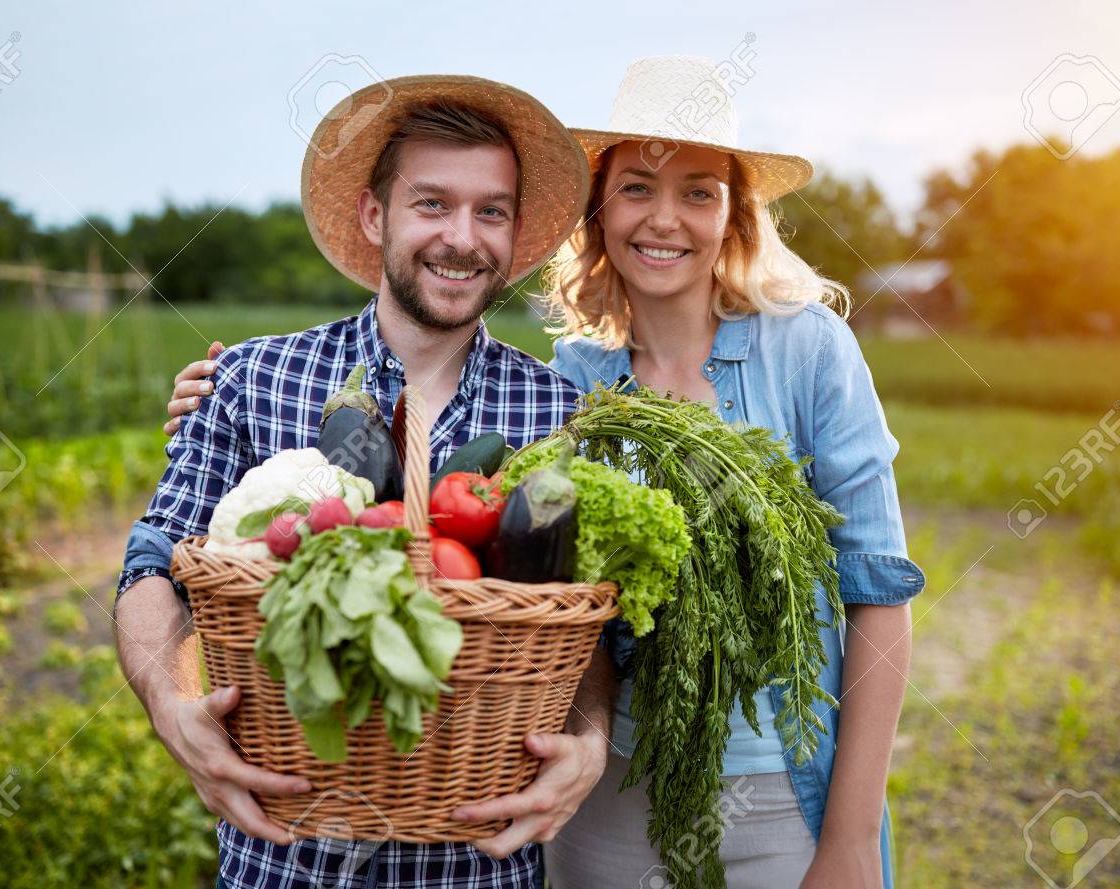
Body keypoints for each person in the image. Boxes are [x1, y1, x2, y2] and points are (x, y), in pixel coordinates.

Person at [167, 57, 926, 889]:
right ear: (600, 210)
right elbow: (561, 600)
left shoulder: (808, 350)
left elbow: (877, 589)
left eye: (699, 191)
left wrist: (851, 840)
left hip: (784, 786)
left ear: (733, 215)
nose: (664, 219)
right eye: (637, 187)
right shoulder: (573, 384)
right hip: (608, 793)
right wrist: (218, 394)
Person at [114, 74, 617, 889]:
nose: (463, 236)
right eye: (431, 204)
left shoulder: (565, 415)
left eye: (490, 210)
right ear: (374, 215)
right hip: (285, 857)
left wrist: (590, 738)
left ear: (515, 231)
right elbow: (151, 563)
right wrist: (172, 708)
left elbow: (589, 620)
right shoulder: (249, 379)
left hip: (478, 865)